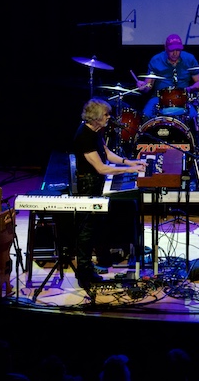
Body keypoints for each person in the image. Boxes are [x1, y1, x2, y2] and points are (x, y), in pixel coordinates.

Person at [72, 98, 147, 288]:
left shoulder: (95, 132)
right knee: (87, 229)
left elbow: (107, 154)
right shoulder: (84, 135)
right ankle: (84, 273)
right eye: (106, 114)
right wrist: (130, 171)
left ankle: (91, 266)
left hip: (94, 183)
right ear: (96, 117)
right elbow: (102, 168)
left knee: (96, 225)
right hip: (86, 185)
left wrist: (130, 163)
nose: (109, 117)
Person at [135, 33, 199, 118]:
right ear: (165, 48)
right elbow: (148, 85)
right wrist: (143, 87)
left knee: (194, 116)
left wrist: (189, 89)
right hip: (159, 99)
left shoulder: (189, 59)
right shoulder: (156, 60)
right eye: (172, 50)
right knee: (145, 115)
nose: (175, 53)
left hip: (182, 99)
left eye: (178, 50)